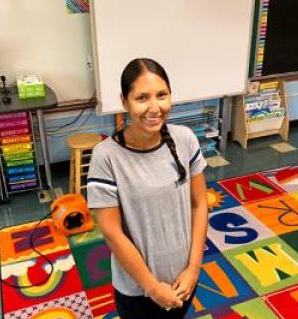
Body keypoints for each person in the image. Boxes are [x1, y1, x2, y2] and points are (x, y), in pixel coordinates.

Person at [87, 58, 208, 319]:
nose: (154, 107)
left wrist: (194, 268)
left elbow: (199, 204)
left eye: (161, 95)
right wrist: (152, 288)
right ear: (124, 101)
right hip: (138, 289)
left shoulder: (185, 139)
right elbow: (112, 233)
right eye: (142, 97)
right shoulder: (106, 156)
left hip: (184, 279)